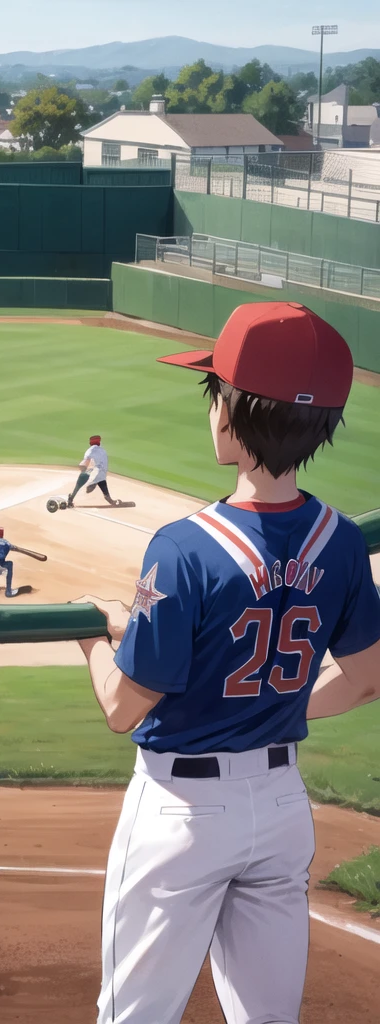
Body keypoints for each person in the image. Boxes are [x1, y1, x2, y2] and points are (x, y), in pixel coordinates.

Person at [73, 302, 380, 1024]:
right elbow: (367, 677)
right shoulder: (339, 541)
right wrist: (269, 708)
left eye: (215, 391)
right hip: (279, 808)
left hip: (180, 814)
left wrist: (92, 635)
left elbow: (122, 706)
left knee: (135, 1015)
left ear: (235, 414)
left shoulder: (183, 547)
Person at [68, 435, 116, 508]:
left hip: (91, 472)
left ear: (90, 443)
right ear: (99, 443)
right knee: (101, 480)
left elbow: (86, 464)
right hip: (102, 473)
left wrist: (83, 472)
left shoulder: (89, 451)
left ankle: (71, 498)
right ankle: (109, 498)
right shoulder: (103, 451)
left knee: (80, 481)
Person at [0, 527, 19, 598]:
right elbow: (13, 547)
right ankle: (8, 591)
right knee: (9, 564)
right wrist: (15, 547)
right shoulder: (6, 543)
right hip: (1, 563)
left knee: (0, 564)